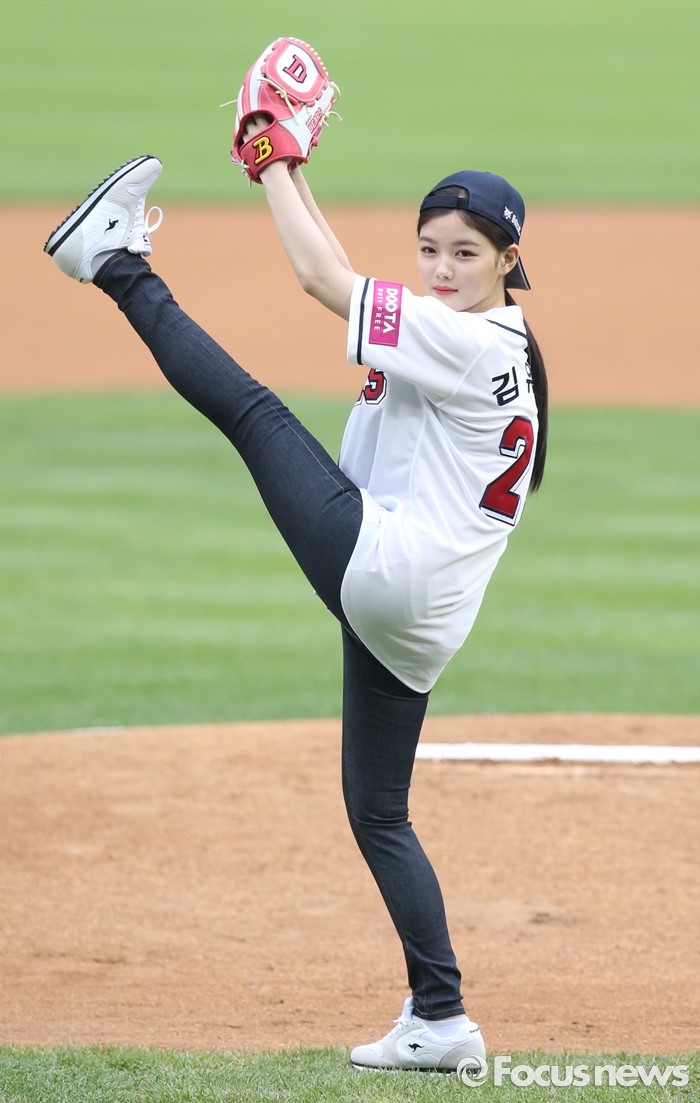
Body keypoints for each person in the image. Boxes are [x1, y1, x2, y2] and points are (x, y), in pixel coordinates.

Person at [44, 137, 548, 1071]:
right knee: (379, 811)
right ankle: (442, 1019)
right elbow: (345, 270)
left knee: (255, 414)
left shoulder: (462, 340)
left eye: (465, 254)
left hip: (389, 565)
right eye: (429, 248)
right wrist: (293, 165)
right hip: (427, 609)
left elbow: (323, 279)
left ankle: (110, 260)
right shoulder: (497, 338)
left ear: (508, 261)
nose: (441, 269)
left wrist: (272, 158)